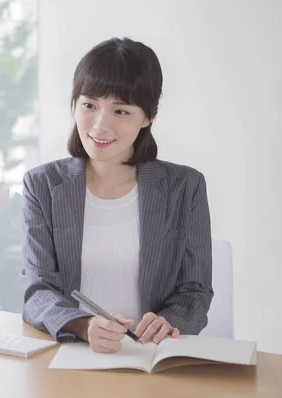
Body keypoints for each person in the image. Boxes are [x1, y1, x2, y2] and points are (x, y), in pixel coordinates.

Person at [21, 37, 213, 354]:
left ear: (148, 116)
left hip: (152, 355)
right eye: (89, 105)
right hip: (74, 355)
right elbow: (37, 289)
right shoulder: (42, 185)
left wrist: (168, 320)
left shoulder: (185, 186)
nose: (100, 125)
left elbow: (195, 289)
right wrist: (83, 326)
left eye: (121, 111)